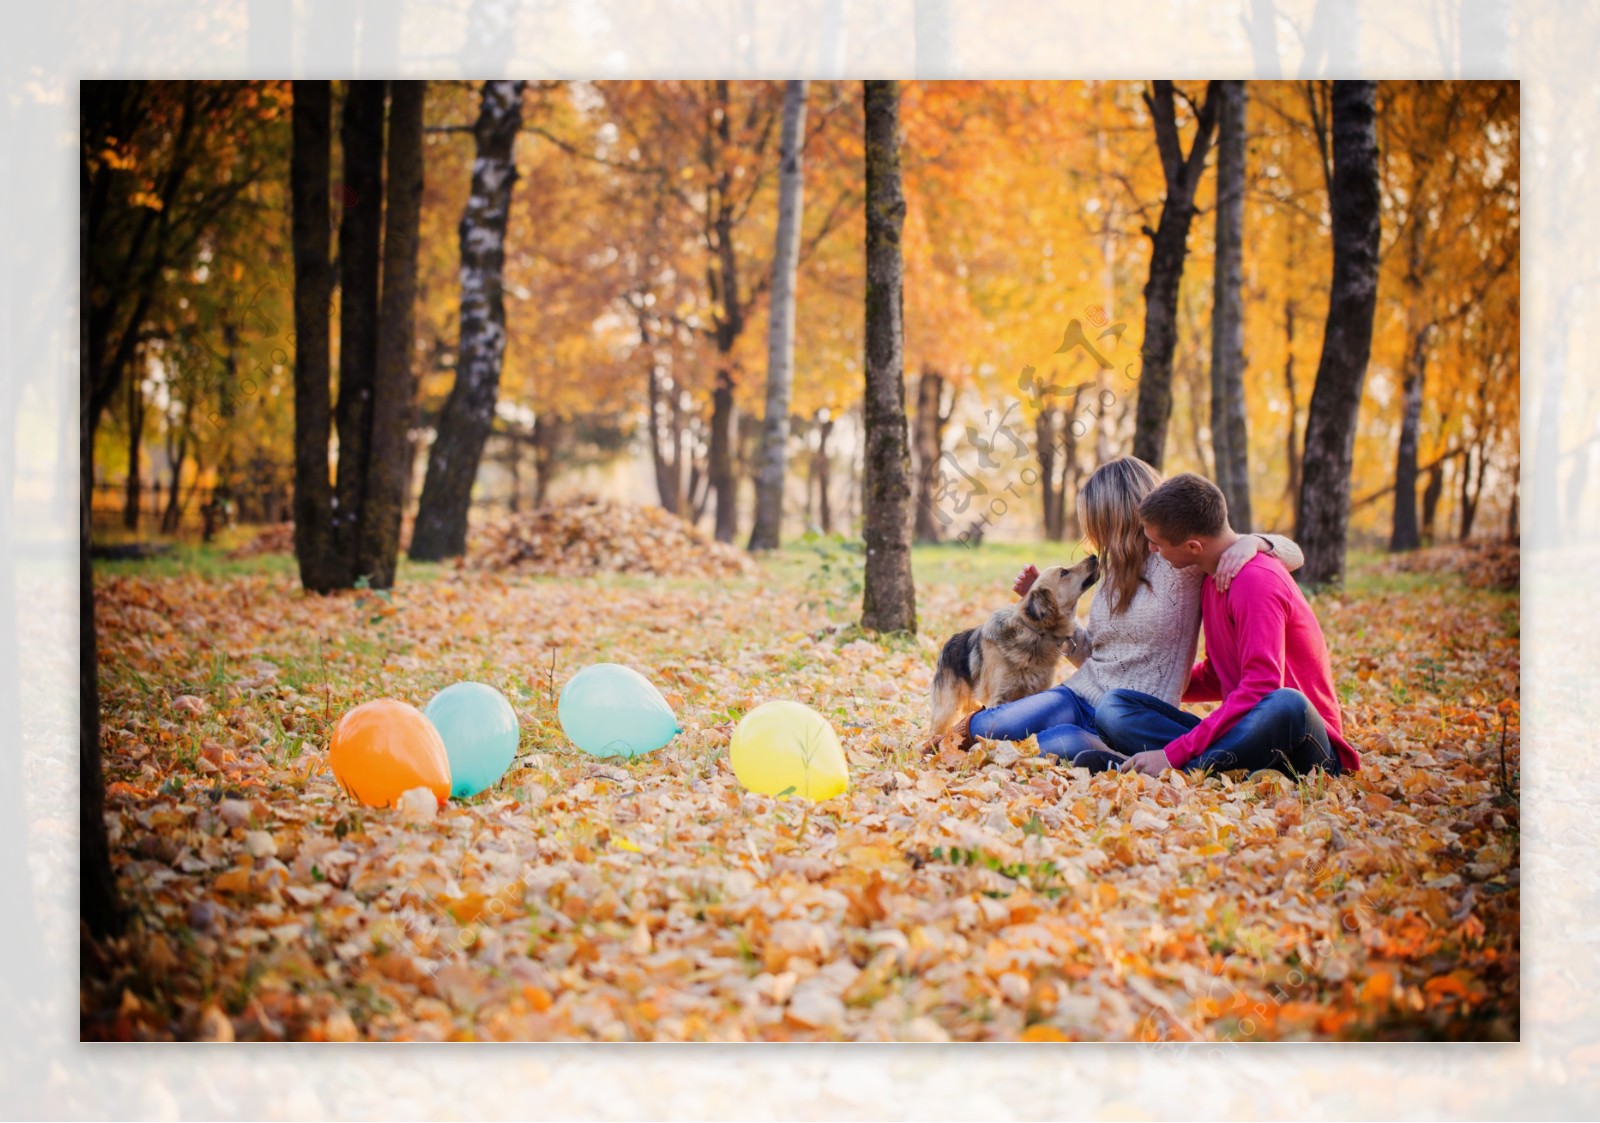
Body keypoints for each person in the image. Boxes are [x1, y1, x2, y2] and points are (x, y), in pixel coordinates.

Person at [959, 457, 1304, 765]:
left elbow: (1289, 554)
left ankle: (1106, 752)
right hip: (1081, 694)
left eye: (1096, 522)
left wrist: (1254, 542)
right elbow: (1095, 652)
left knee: (1048, 747)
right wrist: (1051, 614)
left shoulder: (1181, 560)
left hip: (1132, 712)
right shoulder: (1112, 573)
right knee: (990, 726)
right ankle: (956, 742)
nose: (1092, 534)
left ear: (1116, 517)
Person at [1093, 472, 1360, 780]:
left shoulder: (1256, 582)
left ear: (1193, 546)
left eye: (1156, 543)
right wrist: (1157, 679)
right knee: (1115, 707)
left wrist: (1172, 753)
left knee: (1287, 703)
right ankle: (1210, 769)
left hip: (1306, 747)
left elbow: (1261, 689)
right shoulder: (1213, 578)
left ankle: (1183, 770)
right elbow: (1219, 673)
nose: (1151, 550)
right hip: (1247, 734)